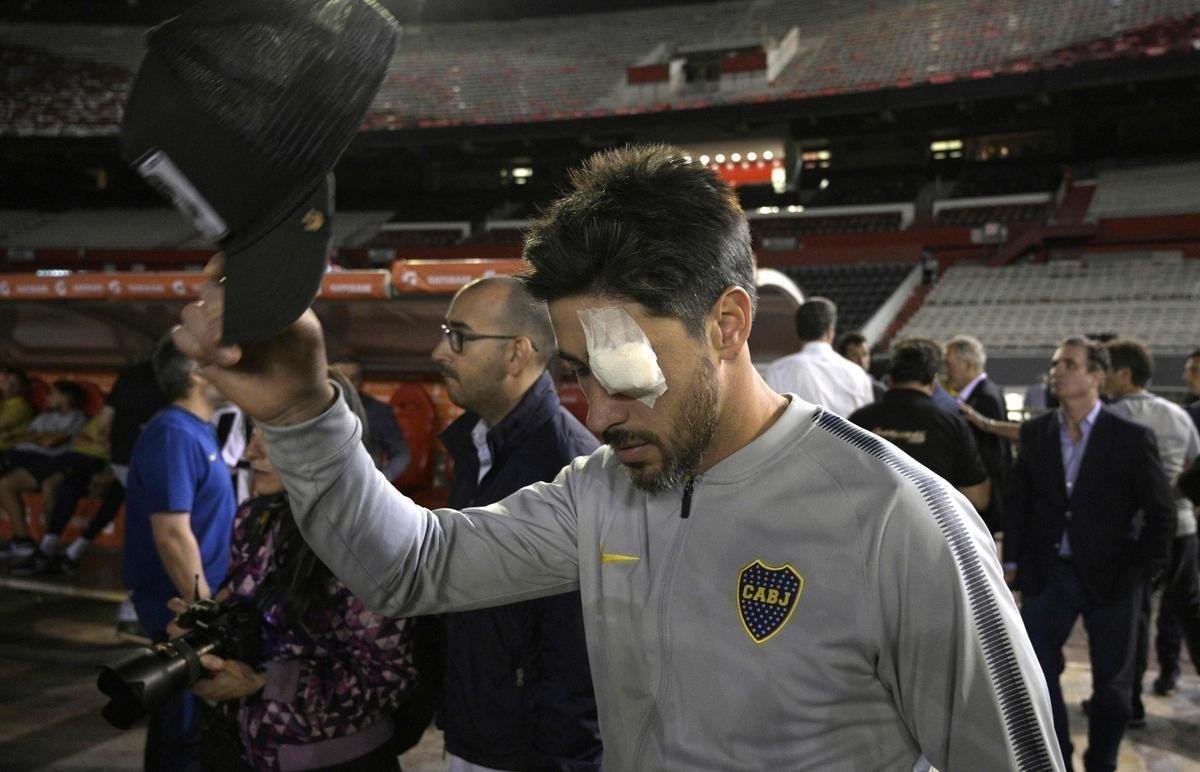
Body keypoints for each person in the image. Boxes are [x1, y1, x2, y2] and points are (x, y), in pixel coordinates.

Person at [175, 145, 1062, 769]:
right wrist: (301, 413)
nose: (596, 413)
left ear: (728, 325)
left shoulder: (907, 522)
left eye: (621, 372)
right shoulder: (600, 493)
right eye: (574, 376)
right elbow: (410, 564)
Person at [171, 369, 417, 772]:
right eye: (253, 431)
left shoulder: (364, 538)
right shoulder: (254, 518)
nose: (252, 452)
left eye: (274, 436)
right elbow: (246, 614)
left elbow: (388, 678)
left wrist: (264, 684)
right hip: (249, 750)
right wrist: (203, 632)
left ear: (327, 442)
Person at [432, 275, 601, 771]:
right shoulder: (476, 445)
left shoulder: (571, 469)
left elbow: (580, 659)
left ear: (516, 354)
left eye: (458, 336)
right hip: (472, 734)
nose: (440, 350)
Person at [1005, 335, 1175, 772]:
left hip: (1114, 577)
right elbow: (1020, 501)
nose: (1057, 371)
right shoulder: (1036, 431)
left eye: (1069, 364)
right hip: (1049, 575)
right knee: (1035, 677)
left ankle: (1102, 762)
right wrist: (1014, 566)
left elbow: (1161, 512)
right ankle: (1057, 757)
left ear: (1097, 376)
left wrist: (1144, 571)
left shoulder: (1131, 438)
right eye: (1056, 363)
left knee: (1113, 688)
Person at [124, 334, 237, 771]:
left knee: (188, 729)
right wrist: (202, 610)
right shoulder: (173, 434)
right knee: (184, 735)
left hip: (192, 605)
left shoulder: (194, 431)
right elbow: (172, 533)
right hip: (180, 612)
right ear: (195, 372)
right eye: (221, 361)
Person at [1102, 339, 1200, 705]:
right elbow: (1192, 466)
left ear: (1124, 374)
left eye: (1107, 370)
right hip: (1183, 526)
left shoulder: (1113, 416)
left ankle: (1132, 704)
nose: (1102, 377)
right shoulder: (1178, 414)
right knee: (1189, 610)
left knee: (1136, 617)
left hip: (1138, 530)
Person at [849, 339, 990, 513]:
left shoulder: (858, 421)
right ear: (932, 382)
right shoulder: (952, 424)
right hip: (932, 532)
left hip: (870, 527)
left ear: (890, 379)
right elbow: (978, 497)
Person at [13, 405, 112, 574]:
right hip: (73, 458)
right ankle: (46, 547)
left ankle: (62, 552)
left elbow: (113, 448)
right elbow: (79, 439)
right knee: (64, 486)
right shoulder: (103, 414)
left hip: (102, 464)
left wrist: (100, 450)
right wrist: (97, 442)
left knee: (55, 485)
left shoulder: (133, 420)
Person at [0, 380, 87, 560]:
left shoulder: (77, 417)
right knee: (5, 484)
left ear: (65, 397)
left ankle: (47, 543)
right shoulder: (43, 417)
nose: (47, 398)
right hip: (24, 457)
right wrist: (40, 437)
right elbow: (21, 437)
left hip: (51, 460)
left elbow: (52, 442)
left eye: (52, 394)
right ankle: (23, 540)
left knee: (49, 487)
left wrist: (37, 437)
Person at [762, 296, 874, 417]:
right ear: (830, 332)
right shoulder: (857, 374)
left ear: (798, 332)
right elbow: (868, 425)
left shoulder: (777, 371)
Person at [945, 334, 1011, 534]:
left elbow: (991, 455)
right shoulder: (982, 394)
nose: (946, 371)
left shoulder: (985, 398)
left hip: (982, 502)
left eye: (949, 364)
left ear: (967, 363)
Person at [333, 357, 411, 483]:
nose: (348, 384)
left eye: (354, 378)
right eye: (342, 378)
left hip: (364, 485)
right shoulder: (316, 409)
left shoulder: (378, 411)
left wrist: (383, 480)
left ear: (362, 381)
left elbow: (402, 455)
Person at [834, 330, 885, 402]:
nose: (862, 361)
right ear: (843, 358)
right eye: (854, 355)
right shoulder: (834, 389)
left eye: (865, 354)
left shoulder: (879, 390)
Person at [0, 366, 35, 450]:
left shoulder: (20, 405)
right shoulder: (5, 402)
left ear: (22, 387)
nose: (10, 386)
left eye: (14, 383)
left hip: (8, 450)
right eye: (7, 381)